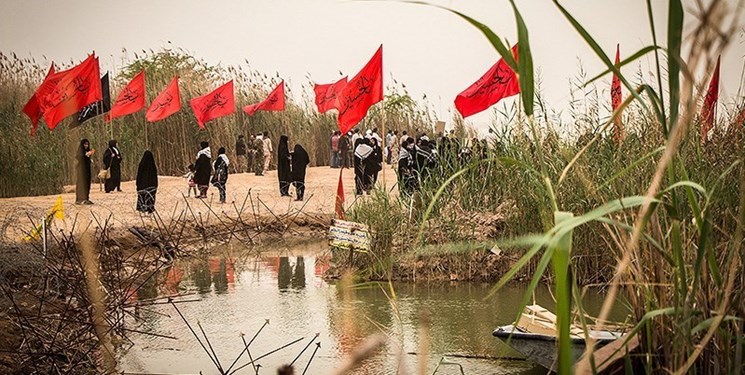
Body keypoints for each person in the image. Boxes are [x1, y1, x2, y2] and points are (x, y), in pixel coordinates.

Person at [75, 139, 95, 205]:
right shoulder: (80, 151)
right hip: (81, 171)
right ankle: (80, 199)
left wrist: (90, 159)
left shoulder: (87, 151)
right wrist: (86, 154)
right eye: (85, 144)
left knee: (87, 184)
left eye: (87, 144)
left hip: (87, 171)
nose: (86, 146)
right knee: (81, 184)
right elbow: (79, 157)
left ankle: (86, 198)